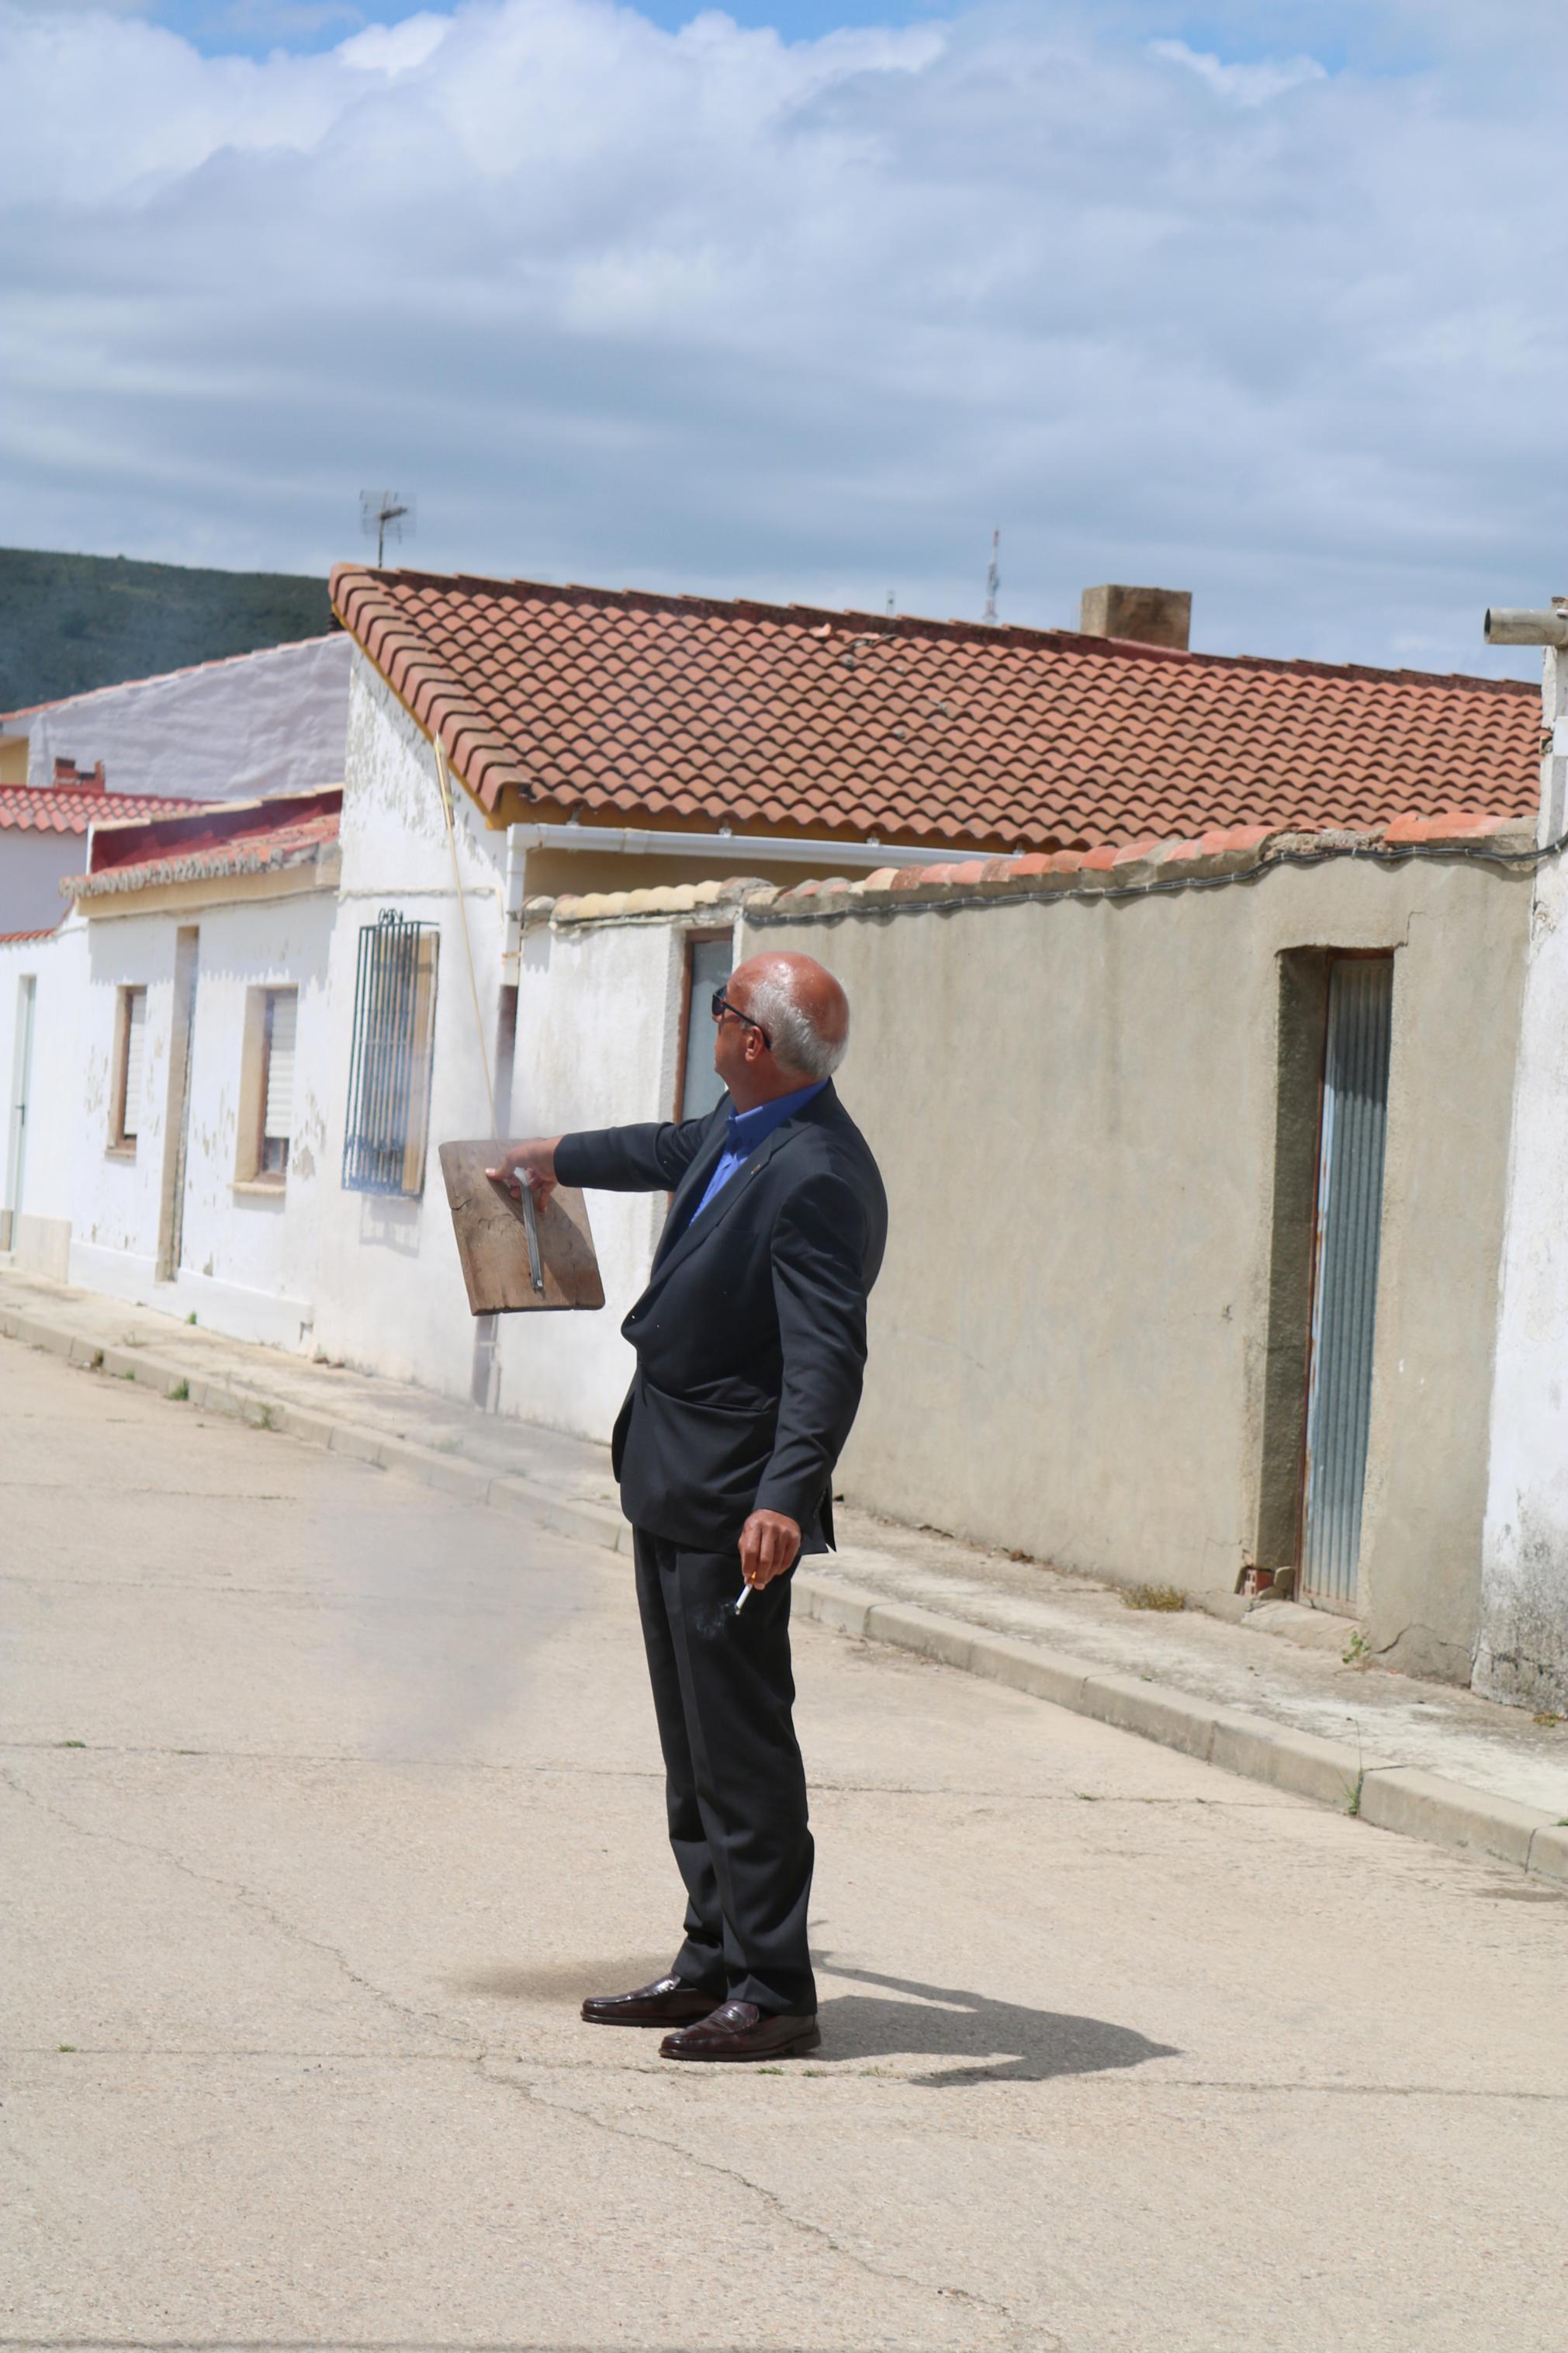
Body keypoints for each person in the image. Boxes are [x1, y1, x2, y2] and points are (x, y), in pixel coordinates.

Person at [490, 951, 887, 2063]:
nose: (711, 1022)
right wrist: (549, 1157)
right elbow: (661, 1150)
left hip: (734, 1504)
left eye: (720, 1009)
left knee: (743, 1745)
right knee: (691, 1743)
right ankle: (710, 1958)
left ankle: (775, 1989)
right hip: (670, 1472)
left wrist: (785, 1501)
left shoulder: (816, 1174)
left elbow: (825, 1360)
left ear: (750, 1040)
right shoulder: (740, 1121)